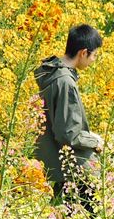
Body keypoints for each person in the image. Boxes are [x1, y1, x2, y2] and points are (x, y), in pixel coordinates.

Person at [34, 24, 104, 206]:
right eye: (94, 55)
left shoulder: (51, 71)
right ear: (83, 52)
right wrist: (94, 141)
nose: (94, 60)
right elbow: (68, 133)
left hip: (57, 163)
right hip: (73, 169)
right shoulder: (65, 82)